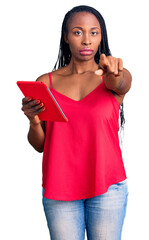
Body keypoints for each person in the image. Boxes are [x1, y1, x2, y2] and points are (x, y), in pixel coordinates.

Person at [21, 5, 132, 240]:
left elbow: (120, 83)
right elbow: (40, 145)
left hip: (107, 188)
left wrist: (115, 74)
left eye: (94, 32)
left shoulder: (113, 76)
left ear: (101, 37)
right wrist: (33, 121)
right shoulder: (46, 83)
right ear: (66, 36)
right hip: (59, 189)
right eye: (78, 32)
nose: (86, 41)